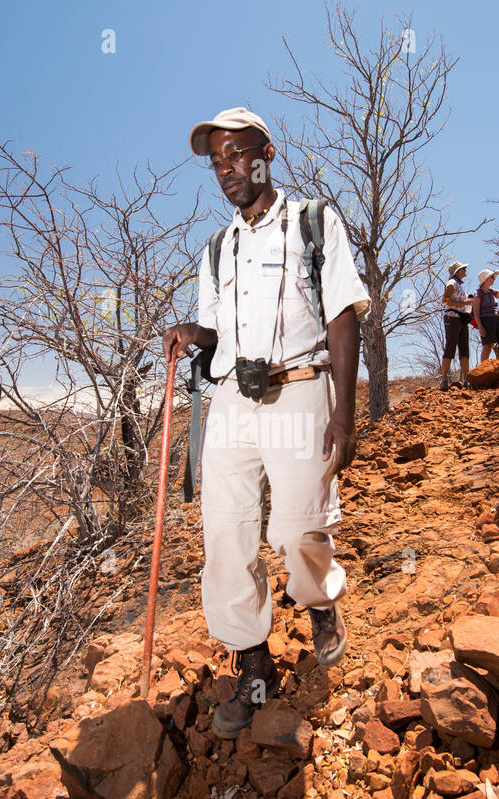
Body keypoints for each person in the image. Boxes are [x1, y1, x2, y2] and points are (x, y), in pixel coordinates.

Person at [163, 107, 370, 739]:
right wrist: (191, 333)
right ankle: (254, 664)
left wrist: (344, 412)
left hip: (301, 387)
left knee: (299, 525)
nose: (227, 170)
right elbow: (219, 330)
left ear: (266, 153)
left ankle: (319, 603)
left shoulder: (314, 221)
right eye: (216, 162)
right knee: (225, 534)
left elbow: (342, 315)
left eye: (237, 155)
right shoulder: (218, 248)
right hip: (232, 397)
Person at [439, 261, 477, 391]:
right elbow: (445, 300)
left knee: (464, 348)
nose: (465, 271)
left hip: (461, 318)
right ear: (457, 271)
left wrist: (470, 301)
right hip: (452, 317)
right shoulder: (452, 283)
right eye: (463, 269)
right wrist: (461, 304)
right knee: (450, 347)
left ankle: (466, 379)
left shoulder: (459, 285)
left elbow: (461, 301)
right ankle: (444, 379)